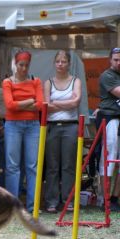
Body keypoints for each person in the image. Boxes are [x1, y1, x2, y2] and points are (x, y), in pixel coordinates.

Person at [2, 50, 43, 213]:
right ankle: (13, 206)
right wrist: (30, 101)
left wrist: (21, 103)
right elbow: (9, 105)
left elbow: (40, 104)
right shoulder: (7, 82)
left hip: (33, 125)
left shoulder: (36, 81)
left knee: (32, 165)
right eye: (21, 65)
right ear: (15, 64)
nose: (24, 68)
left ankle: (33, 206)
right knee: (13, 166)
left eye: (26, 65)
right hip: (13, 125)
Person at [44, 50, 81, 213]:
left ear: (69, 64)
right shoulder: (48, 83)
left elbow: (76, 102)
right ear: (54, 63)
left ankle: (68, 200)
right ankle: (52, 201)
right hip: (52, 126)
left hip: (71, 126)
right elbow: (46, 105)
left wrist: (56, 103)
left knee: (68, 165)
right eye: (58, 61)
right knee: (52, 166)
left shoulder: (76, 81)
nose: (60, 64)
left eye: (63, 61)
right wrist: (68, 101)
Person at [95, 47, 120, 211]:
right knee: (109, 156)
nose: (119, 62)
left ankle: (115, 198)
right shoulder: (107, 75)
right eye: (116, 59)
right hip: (110, 118)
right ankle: (104, 198)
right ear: (110, 60)